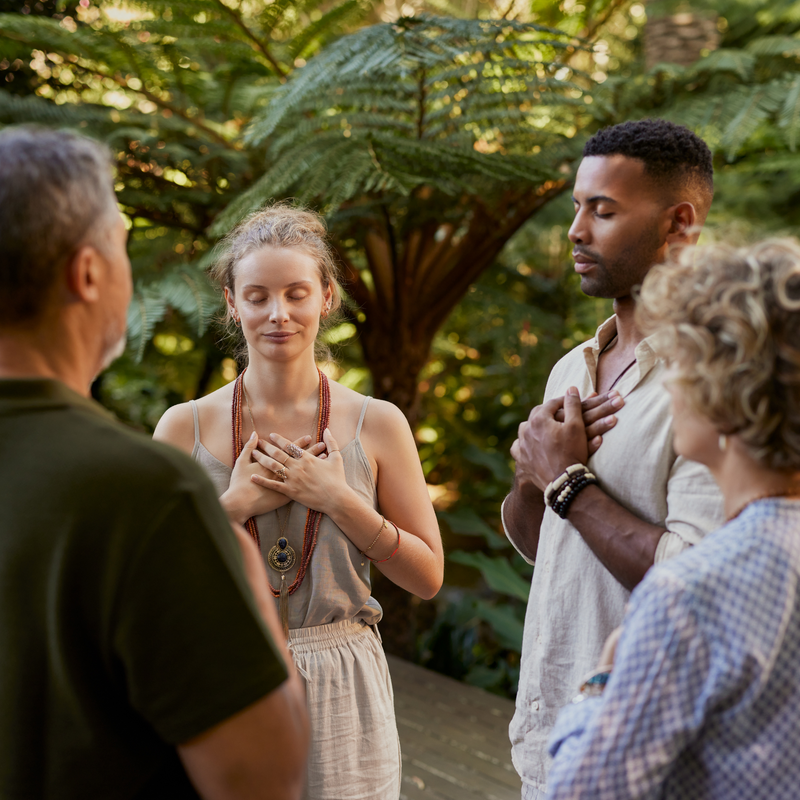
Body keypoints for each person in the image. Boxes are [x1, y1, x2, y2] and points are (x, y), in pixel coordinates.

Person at [0, 127, 309, 800]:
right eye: (120, 242)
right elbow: (262, 777)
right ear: (87, 273)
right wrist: (246, 581)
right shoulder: (145, 492)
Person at [154, 204, 444, 800]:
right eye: (257, 296)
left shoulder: (378, 424)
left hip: (345, 677)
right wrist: (230, 507)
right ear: (233, 303)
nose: (278, 314)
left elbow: (428, 577)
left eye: (296, 293)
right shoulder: (183, 427)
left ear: (326, 297)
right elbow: (143, 577)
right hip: (225, 673)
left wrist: (339, 500)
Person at [502, 119, 726, 799]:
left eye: (602, 210)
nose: (575, 230)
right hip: (547, 745)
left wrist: (568, 480)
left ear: (678, 224)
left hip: (646, 757)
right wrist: (531, 473)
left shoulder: (717, 377)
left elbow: (697, 583)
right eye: (576, 206)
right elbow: (549, 549)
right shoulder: (575, 364)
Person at [547, 238, 800, 799]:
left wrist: (602, 682)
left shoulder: (688, 594)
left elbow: (582, 792)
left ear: (724, 398)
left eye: (683, 364)